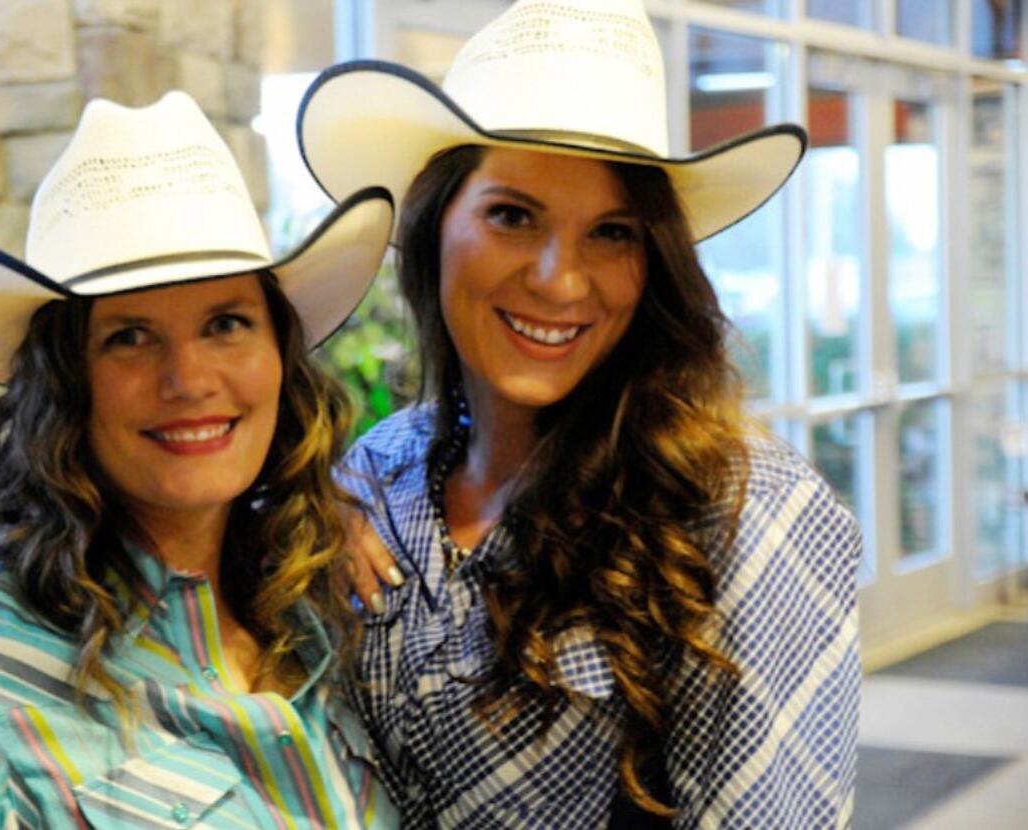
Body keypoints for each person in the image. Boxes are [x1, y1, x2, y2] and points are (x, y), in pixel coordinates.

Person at [296, 0, 863, 826]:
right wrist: (299, 510)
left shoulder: (744, 511)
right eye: (513, 216)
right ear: (432, 226)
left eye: (612, 233)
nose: (561, 281)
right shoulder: (376, 471)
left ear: (655, 262)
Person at [0, 91, 399, 829]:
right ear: (64, 383)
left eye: (225, 323)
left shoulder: (315, 626)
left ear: (280, 355)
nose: (188, 380)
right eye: (130, 336)